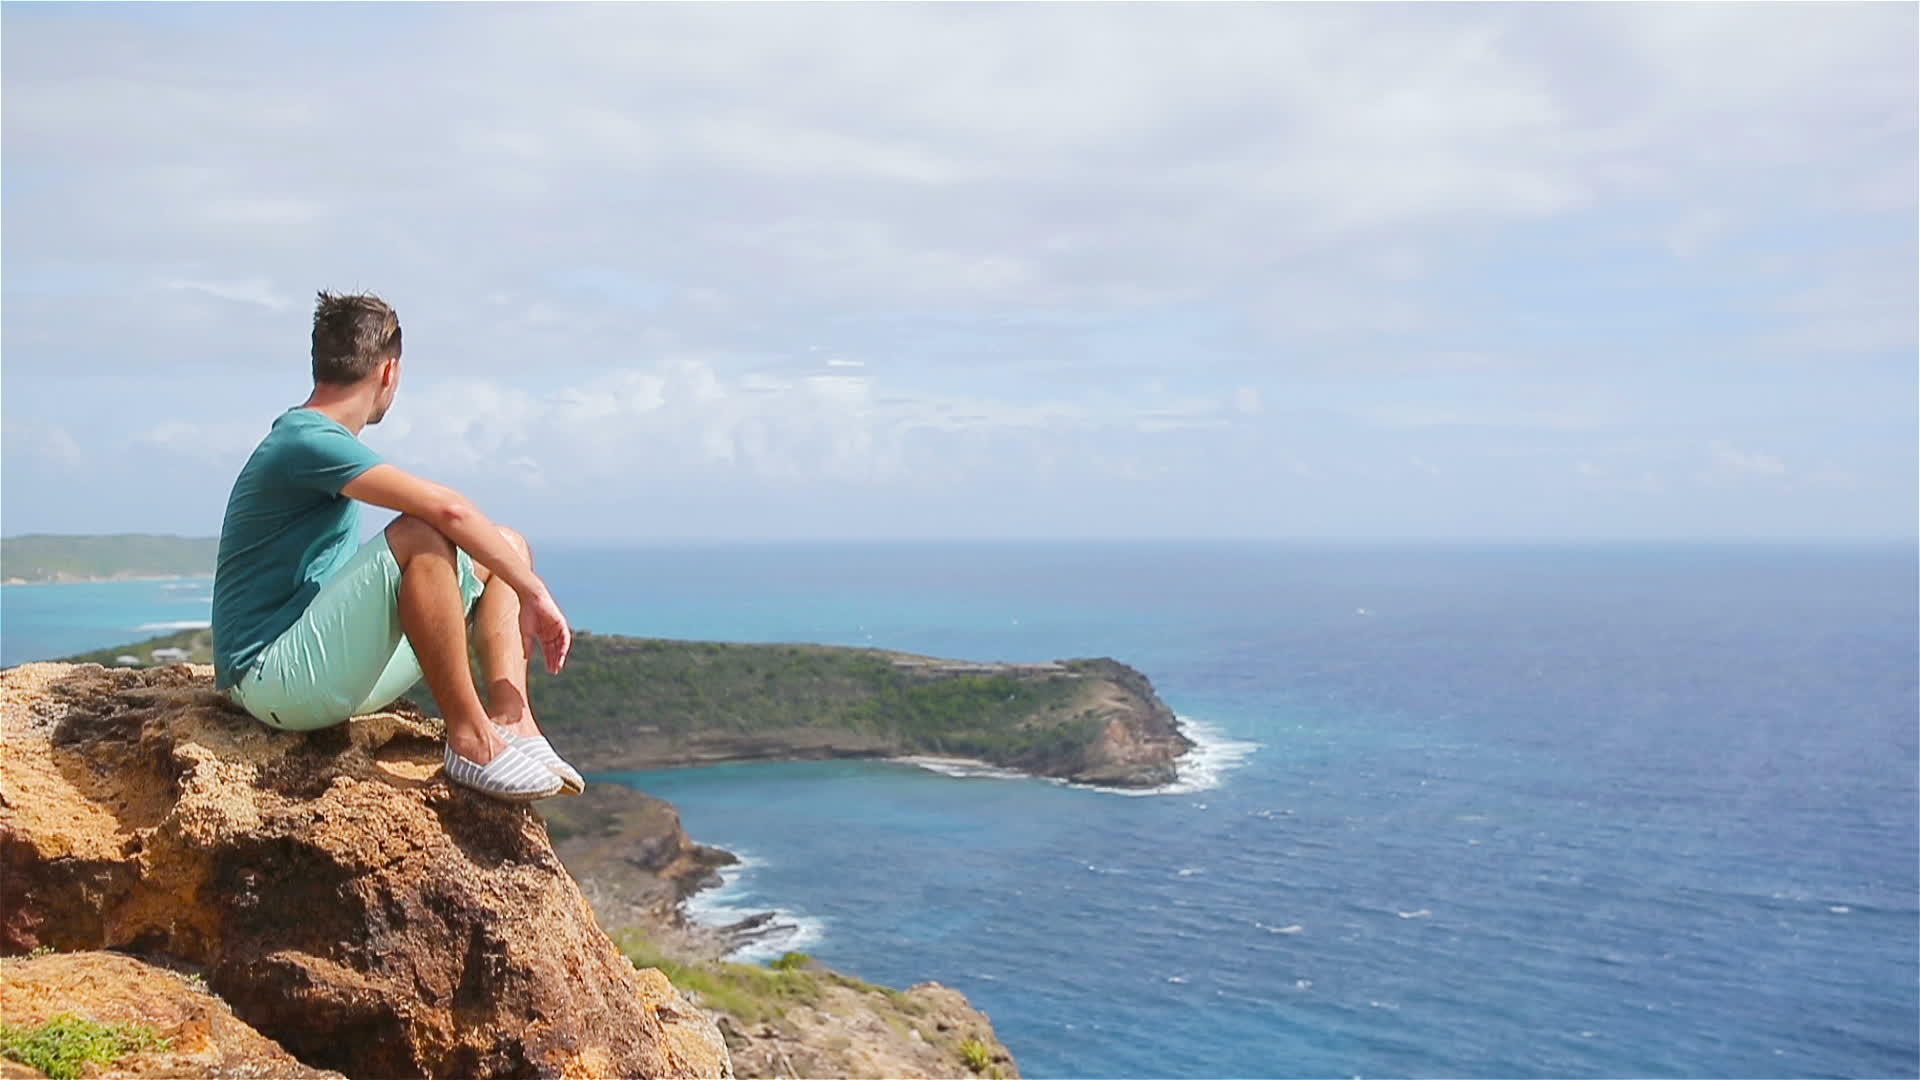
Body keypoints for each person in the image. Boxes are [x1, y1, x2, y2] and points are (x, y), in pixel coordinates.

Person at [211, 291, 581, 802]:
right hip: (268, 678)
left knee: (507, 546)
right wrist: (537, 594)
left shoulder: (318, 440)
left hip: (316, 676)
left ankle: (512, 721)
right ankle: (471, 741)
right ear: (389, 372)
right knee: (421, 534)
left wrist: (518, 573)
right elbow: (447, 510)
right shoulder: (304, 440)